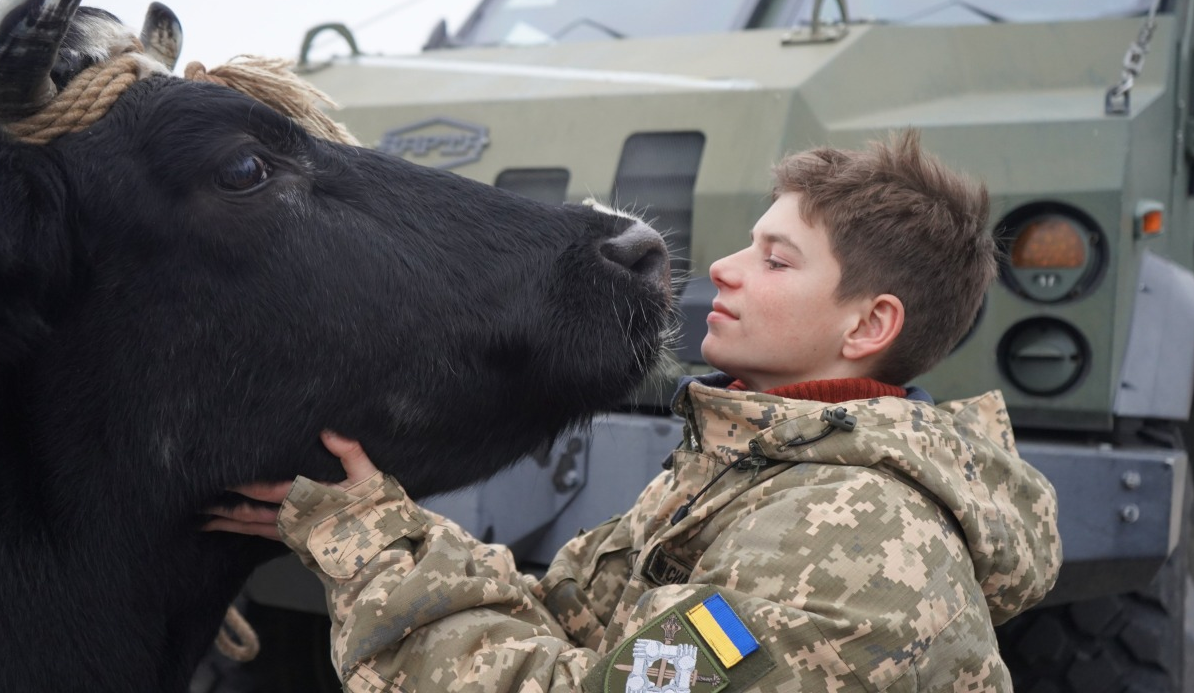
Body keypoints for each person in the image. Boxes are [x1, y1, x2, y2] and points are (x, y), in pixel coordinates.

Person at [207, 129, 1062, 692]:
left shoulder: (851, 541)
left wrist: (370, 550)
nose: (723, 269)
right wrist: (377, 529)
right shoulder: (754, 472)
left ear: (868, 325)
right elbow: (566, 625)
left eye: (775, 260)